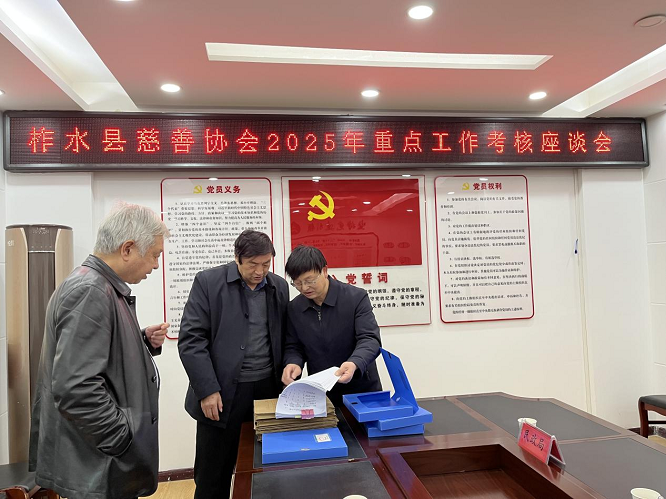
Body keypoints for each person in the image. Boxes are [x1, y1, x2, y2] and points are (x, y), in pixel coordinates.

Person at [29, 202, 171, 499]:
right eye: (155, 255)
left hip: (97, 459)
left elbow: (97, 357)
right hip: (97, 462)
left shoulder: (99, 285)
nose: (156, 265)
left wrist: (141, 340)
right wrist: (122, 439)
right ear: (128, 248)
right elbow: (76, 388)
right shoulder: (90, 290)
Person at [178, 230, 289, 499]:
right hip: (222, 393)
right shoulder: (208, 282)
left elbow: (286, 336)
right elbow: (192, 340)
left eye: (266, 264)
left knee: (264, 471)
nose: (259, 271)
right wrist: (207, 389)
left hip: (267, 391)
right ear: (237, 258)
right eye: (252, 264)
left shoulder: (278, 286)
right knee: (213, 475)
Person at [282, 245, 382, 407]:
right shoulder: (295, 308)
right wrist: (293, 362)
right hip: (322, 392)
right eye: (298, 283)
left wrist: (354, 363)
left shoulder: (355, 298)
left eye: (310, 281)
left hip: (362, 389)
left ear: (324, 271)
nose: (305, 288)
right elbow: (294, 346)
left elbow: (370, 339)